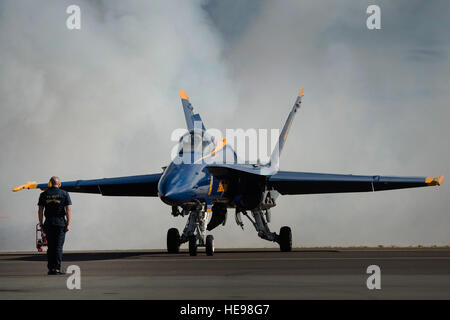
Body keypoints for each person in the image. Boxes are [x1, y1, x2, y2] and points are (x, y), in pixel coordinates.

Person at [38, 176, 72, 275]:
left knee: (51, 246)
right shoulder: (64, 194)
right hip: (60, 223)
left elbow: (40, 210)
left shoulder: (43, 194)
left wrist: (41, 224)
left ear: (49, 183)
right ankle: (56, 268)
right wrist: (68, 224)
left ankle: (51, 269)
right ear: (59, 184)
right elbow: (68, 210)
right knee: (58, 247)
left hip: (48, 223)